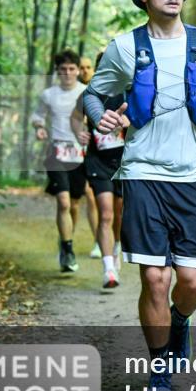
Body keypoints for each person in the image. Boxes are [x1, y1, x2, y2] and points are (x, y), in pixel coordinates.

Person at [83, 0, 196, 391]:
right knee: (155, 277)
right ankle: (159, 371)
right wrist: (102, 119)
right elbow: (94, 94)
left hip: (194, 174)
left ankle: (179, 320)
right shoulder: (123, 46)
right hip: (142, 172)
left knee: (192, 282)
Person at [72, 50, 125, 289]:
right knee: (105, 213)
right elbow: (75, 118)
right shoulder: (89, 94)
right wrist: (79, 132)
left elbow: (145, 117)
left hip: (125, 162)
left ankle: (117, 247)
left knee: (120, 213)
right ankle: (108, 269)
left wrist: (129, 122)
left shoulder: (128, 91)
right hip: (98, 161)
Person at [32, 50, 88, 273]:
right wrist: (39, 128)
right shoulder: (48, 95)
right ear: (57, 72)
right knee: (63, 202)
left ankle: (67, 240)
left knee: (74, 204)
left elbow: (96, 119)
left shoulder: (86, 92)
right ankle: (67, 249)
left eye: (71, 69)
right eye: (62, 70)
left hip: (80, 154)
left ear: (77, 70)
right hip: (56, 151)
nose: (67, 74)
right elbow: (37, 117)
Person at [78, 56, 102, 259]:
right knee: (90, 195)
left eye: (88, 67)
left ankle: (114, 240)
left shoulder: (106, 87)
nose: (85, 71)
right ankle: (98, 241)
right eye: (81, 68)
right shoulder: (74, 92)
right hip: (83, 152)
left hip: (109, 151)